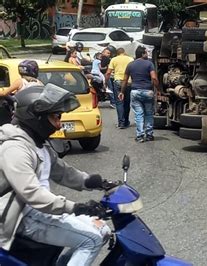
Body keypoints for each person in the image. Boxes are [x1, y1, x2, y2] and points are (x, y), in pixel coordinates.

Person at [0, 83, 111, 265]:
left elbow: (64, 173)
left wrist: (98, 183)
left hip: (40, 212)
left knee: (103, 230)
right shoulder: (15, 148)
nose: (59, 124)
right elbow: (32, 194)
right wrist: (76, 207)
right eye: (55, 117)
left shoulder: (38, 144)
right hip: (21, 217)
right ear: (37, 117)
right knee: (91, 240)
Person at [119, 46, 159, 142]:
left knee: (139, 114)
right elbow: (154, 78)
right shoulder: (149, 64)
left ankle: (140, 135)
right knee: (149, 113)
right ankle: (149, 134)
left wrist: (122, 92)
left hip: (135, 92)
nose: (147, 54)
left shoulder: (130, 65)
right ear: (142, 54)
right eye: (146, 53)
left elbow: (125, 80)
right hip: (148, 92)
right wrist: (157, 89)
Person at [0, 60, 43, 125]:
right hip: (35, 113)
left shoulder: (20, 81)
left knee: (11, 129)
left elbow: (4, 93)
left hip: (21, 114)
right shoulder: (39, 83)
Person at [105, 48, 133, 129]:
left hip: (118, 82)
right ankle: (126, 121)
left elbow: (108, 73)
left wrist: (106, 82)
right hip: (128, 82)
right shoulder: (130, 59)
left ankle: (121, 123)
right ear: (124, 52)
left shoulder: (114, 59)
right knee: (127, 102)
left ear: (117, 53)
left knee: (119, 102)